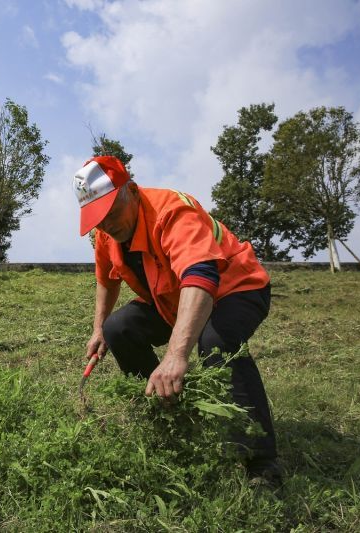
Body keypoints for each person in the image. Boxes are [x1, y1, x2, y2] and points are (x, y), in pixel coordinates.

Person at [73, 155, 280, 483]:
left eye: (112, 211)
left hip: (234, 286)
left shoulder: (171, 210)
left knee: (215, 342)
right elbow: (107, 279)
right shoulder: (106, 235)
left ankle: (260, 462)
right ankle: (166, 415)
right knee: (118, 328)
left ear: (132, 189)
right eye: (99, 218)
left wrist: (176, 355)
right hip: (172, 298)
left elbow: (201, 274)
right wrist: (98, 327)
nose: (108, 223)